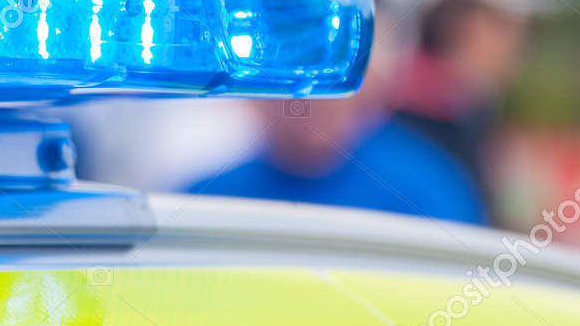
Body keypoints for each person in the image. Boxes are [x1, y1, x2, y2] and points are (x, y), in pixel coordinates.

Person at [187, 40, 487, 224]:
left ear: (370, 85)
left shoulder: (426, 193)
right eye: (287, 76)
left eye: (328, 76)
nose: (308, 97)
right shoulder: (208, 201)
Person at [391, 0, 524, 222]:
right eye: (497, 36)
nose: (510, 54)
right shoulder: (431, 112)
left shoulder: (462, 107)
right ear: (460, 34)